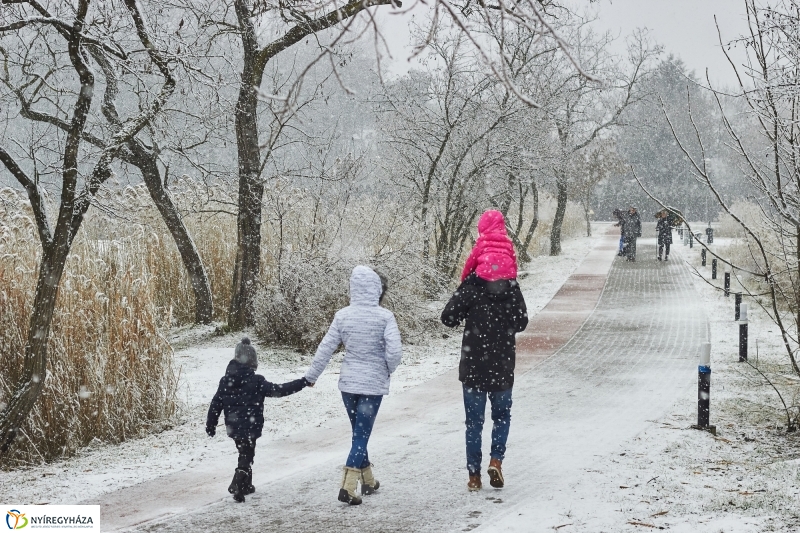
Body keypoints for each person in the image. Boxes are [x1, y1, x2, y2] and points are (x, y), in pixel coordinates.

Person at [442, 210, 529, 492]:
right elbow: (522, 321)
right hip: (503, 362)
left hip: (474, 362)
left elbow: (448, 318)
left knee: (473, 423)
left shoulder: (472, 284)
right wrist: (503, 326)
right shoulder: (512, 285)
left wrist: (470, 313)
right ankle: (496, 461)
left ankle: (473, 476)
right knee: (502, 416)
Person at [304, 265, 402, 506]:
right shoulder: (385, 317)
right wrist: (387, 369)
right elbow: (395, 352)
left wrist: (312, 375)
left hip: (348, 385)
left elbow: (326, 347)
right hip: (372, 384)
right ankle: (347, 488)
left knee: (359, 433)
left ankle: (368, 481)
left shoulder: (342, 316)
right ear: (377, 289)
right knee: (361, 434)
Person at [206, 338, 309, 503]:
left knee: (244, 451)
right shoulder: (257, 381)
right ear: (253, 361)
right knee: (247, 453)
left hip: (233, 426)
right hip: (251, 425)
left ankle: (246, 485)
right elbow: (279, 390)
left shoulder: (225, 381)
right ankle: (237, 482)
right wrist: (302, 382)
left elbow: (215, 403)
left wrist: (211, 424)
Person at [460, 209, 517, 282]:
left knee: (470, 287)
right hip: (507, 277)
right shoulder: (508, 243)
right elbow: (513, 263)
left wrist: (464, 280)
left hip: (484, 277)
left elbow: (470, 264)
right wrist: (513, 276)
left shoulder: (481, 243)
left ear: (482, 226)